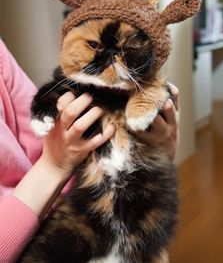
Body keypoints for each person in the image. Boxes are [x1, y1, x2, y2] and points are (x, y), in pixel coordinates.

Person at [0, 38, 179, 262]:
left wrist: (155, 152)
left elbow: (51, 138)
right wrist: (55, 166)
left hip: (74, 208)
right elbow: (55, 154)